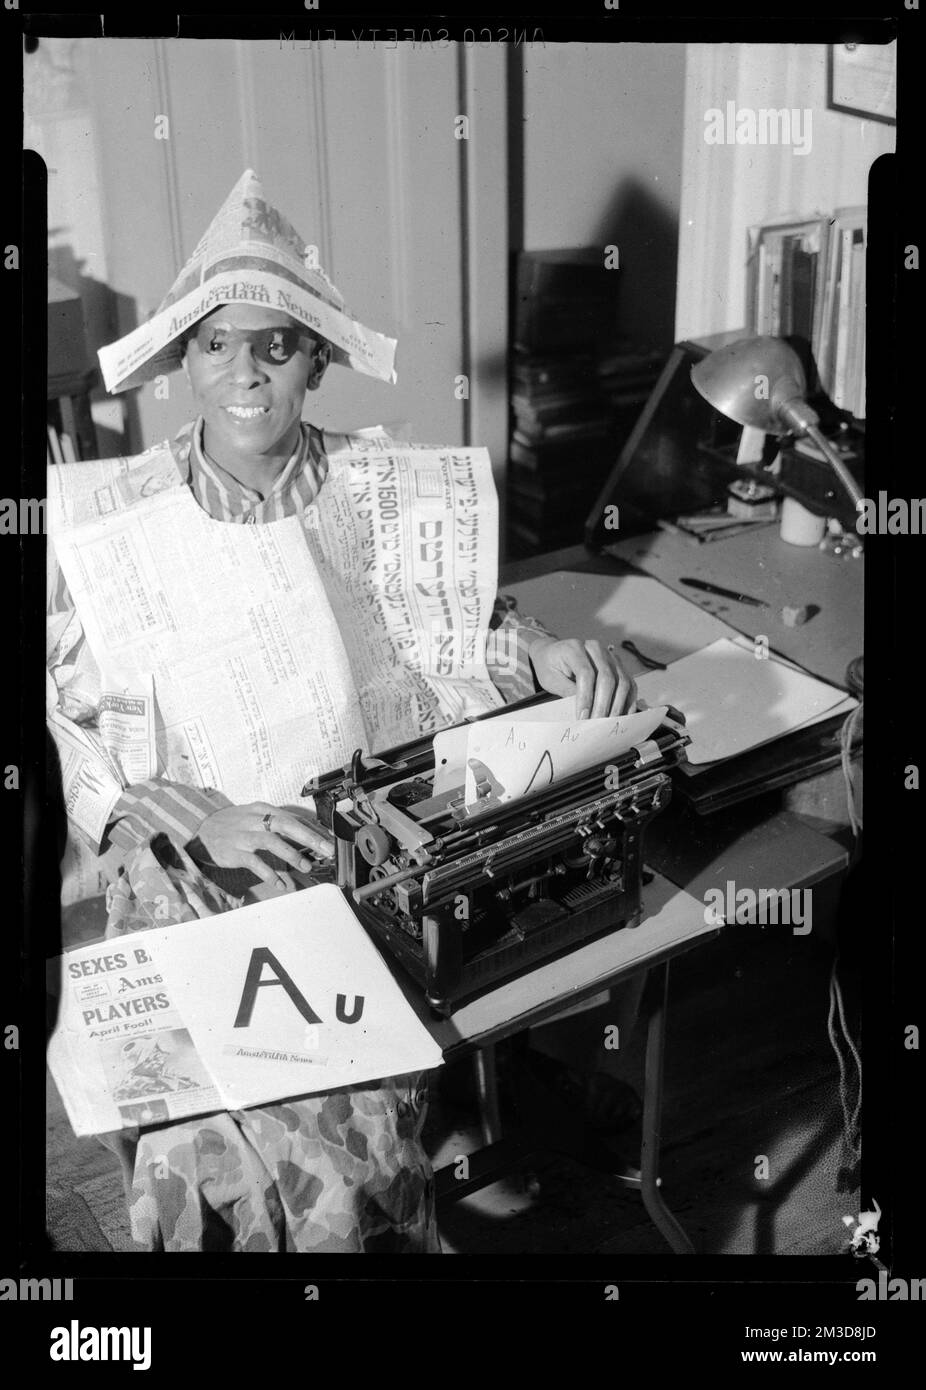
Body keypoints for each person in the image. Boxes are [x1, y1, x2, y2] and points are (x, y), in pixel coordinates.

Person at [47, 170, 637, 1252]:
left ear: (314, 359)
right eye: (217, 345)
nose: (245, 374)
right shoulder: (114, 519)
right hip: (192, 861)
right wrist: (163, 810)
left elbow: (458, 623)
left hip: (349, 851)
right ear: (183, 360)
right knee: (195, 1152)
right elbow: (61, 715)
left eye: (275, 346)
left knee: (334, 1177)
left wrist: (542, 649)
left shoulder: (379, 485)